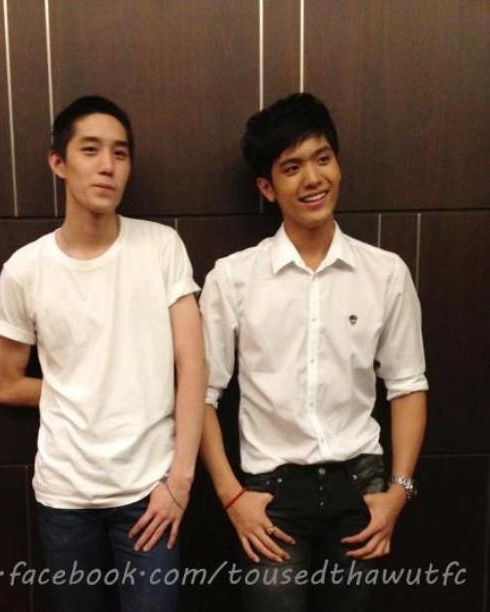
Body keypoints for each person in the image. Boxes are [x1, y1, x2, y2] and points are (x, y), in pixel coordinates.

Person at [199, 93, 428, 612]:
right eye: (292, 167)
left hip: (361, 485)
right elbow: (200, 396)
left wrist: (398, 491)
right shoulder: (233, 279)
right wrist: (232, 497)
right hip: (271, 494)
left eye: (323, 158)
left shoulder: (386, 273)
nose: (313, 178)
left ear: (338, 165)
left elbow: (408, 386)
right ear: (267, 187)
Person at [0, 95, 206, 612]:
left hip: (150, 491)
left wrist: (180, 479)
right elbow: (5, 382)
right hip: (65, 496)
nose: (108, 165)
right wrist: (80, 392)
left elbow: (194, 365)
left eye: (120, 153)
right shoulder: (25, 269)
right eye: (90, 150)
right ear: (58, 162)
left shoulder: (161, 247)